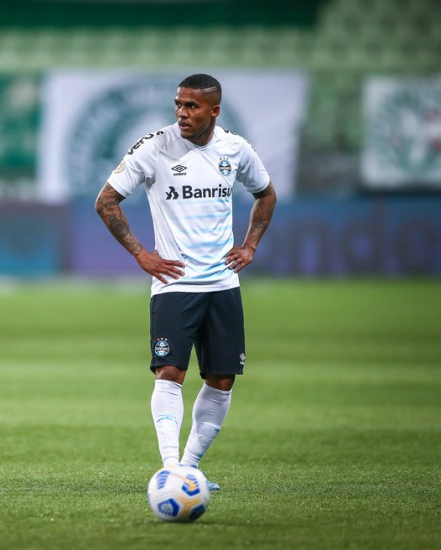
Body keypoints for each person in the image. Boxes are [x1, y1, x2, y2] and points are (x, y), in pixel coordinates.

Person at [94, 73, 276, 491]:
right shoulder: (155, 147)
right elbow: (106, 201)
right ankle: (170, 467)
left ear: (214, 111)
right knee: (170, 372)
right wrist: (141, 253)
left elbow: (266, 194)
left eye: (191, 106)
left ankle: (190, 467)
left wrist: (249, 247)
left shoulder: (236, 149)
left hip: (222, 285)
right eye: (178, 104)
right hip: (175, 285)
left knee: (222, 380)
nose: (182, 113)